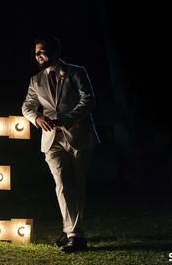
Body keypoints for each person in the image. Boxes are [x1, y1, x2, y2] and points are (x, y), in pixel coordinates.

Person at [21, 35, 99, 253]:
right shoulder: (35, 80)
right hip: (51, 139)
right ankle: (75, 235)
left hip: (79, 136)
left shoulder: (76, 72)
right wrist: (37, 118)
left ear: (56, 51)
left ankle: (71, 230)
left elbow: (89, 100)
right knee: (63, 184)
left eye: (42, 51)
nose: (38, 56)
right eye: (36, 52)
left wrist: (67, 118)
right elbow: (27, 107)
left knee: (78, 184)